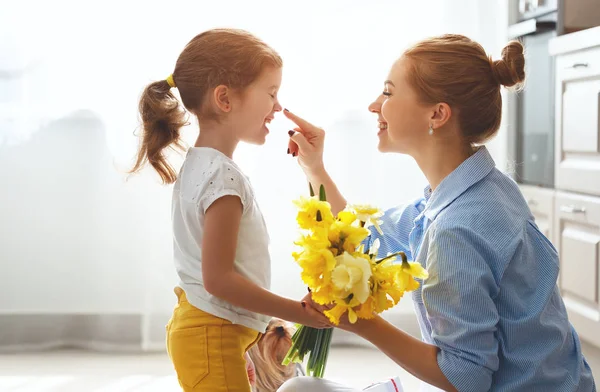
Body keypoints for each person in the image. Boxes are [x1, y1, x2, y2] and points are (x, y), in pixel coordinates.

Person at [279, 34, 596, 392]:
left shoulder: (456, 229)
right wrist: (315, 168)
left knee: (299, 389)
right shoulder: (480, 188)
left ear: (437, 114)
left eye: (388, 92)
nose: (373, 105)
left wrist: (357, 320)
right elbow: (368, 237)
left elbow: (467, 378)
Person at [130, 28, 330, 392]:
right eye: (271, 93)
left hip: (211, 330)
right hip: (213, 334)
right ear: (224, 98)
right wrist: (299, 314)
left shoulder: (201, 165)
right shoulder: (223, 178)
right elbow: (219, 280)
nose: (278, 107)